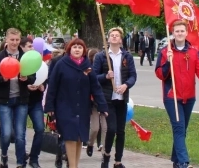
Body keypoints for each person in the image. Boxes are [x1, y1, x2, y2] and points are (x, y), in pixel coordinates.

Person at [155, 20, 199, 168]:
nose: (179, 33)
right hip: (172, 97)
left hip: (189, 97)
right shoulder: (165, 52)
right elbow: (160, 74)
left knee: (182, 130)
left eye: (182, 31)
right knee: (179, 128)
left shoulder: (193, 52)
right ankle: (183, 162)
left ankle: (176, 161)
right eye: (177, 31)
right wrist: (168, 62)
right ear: (172, 33)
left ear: (186, 33)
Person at [44, 38, 108, 168]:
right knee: (70, 137)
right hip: (65, 107)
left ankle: (75, 165)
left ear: (84, 50)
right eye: (74, 47)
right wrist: (49, 106)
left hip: (83, 108)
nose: (77, 49)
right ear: (69, 49)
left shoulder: (88, 66)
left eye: (80, 47)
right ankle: (72, 166)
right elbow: (52, 86)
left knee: (79, 138)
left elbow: (96, 87)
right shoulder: (61, 64)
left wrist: (102, 106)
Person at [0, 28, 36, 168]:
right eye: (12, 39)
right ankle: (4, 155)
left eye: (17, 40)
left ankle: (21, 161)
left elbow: (33, 77)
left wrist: (26, 78)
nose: (14, 42)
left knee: (20, 133)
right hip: (4, 100)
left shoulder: (25, 57)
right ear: (6, 39)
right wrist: (3, 78)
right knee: (7, 133)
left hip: (21, 99)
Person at [93, 27, 137, 168]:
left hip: (121, 98)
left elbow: (132, 76)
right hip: (108, 98)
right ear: (108, 39)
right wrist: (105, 76)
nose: (114, 37)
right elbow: (93, 77)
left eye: (116, 35)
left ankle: (118, 161)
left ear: (121, 39)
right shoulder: (101, 56)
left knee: (121, 131)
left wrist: (126, 85)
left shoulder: (127, 56)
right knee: (111, 129)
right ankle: (106, 155)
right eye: (111, 35)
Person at [21, 37, 45, 168]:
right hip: (22, 101)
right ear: (22, 47)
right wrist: (26, 86)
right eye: (29, 46)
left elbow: (44, 76)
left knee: (40, 129)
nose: (32, 49)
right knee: (21, 131)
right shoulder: (19, 61)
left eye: (33, 46)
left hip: (36, 101)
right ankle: (22, 155)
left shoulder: (38, 61)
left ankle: (34, 157)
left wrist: (42, 85)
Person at [86, 48, 107, 157]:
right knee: (95, 128)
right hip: (94, 103)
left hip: (104, 101)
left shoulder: (106, 68)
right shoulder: (89, 70)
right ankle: (90, 144)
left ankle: (104, 150)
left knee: (105, 128)